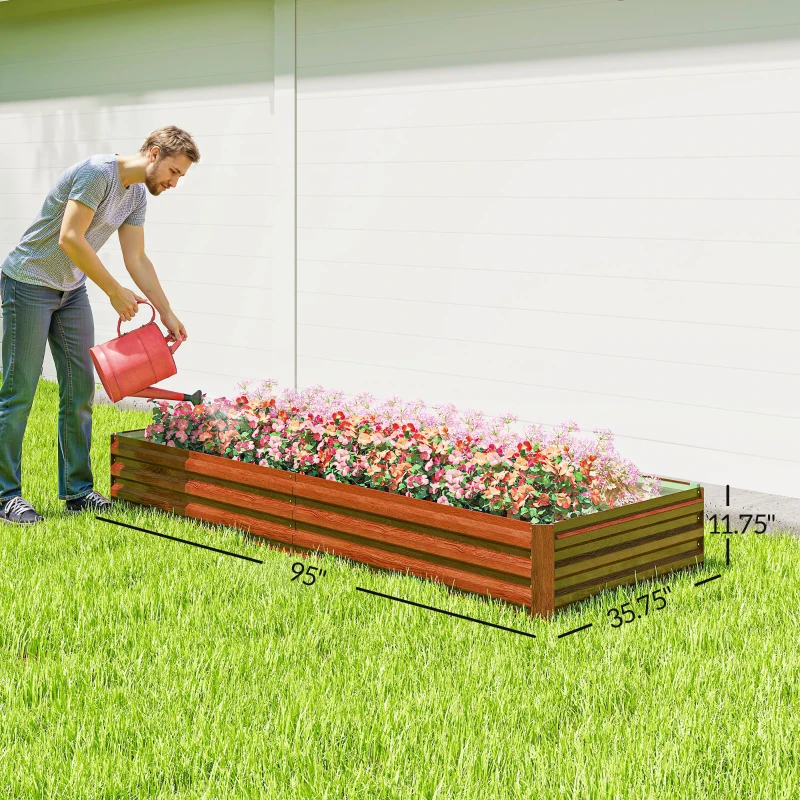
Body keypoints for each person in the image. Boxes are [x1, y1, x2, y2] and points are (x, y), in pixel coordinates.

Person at [0, 126, 200, 525]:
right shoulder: (98, 174)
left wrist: (166, 311)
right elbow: (70, 238)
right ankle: (6, 496)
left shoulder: (138, 195)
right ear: (155, 153)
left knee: (79, 391)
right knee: (19, 391)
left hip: (70, 291)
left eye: (180, 176)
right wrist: (112, 291)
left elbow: (137, 258)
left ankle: (77, 492)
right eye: (174, 172)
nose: (174, 183)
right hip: (29, 284)